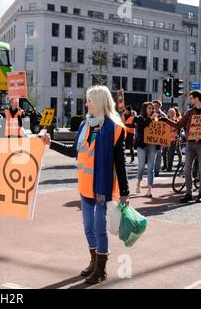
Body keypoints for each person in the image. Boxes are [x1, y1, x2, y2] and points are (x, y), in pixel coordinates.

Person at [50, 85, 130, 284]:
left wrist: (125, 191)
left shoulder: (115, 128)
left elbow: (120, 162)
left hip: (102, 188)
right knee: (88, 227)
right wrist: (49, 143)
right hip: (85, 186)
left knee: (99, 228)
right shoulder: (85, 125)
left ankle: (101, 270)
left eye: (89, 101)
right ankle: (94, 261)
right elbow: (73, 152)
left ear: (100, 103)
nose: (86, 104)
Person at [161, 90, 201, 204]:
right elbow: (179, 125)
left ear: (197, 98)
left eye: (192, 98)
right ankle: (188, 193)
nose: (190, 100)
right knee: (187, 169)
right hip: (190, 144)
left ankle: (200, 194)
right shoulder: (189, 112)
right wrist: (166, 120)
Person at [133, 102, 159, 198]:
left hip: (152, 144)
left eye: (152, 108)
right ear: (145, 109)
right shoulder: (139, 118)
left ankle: (149, 189)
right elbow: (140, 127)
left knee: (150, 168)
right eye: (149, 108)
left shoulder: (156, 119)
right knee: (141, 166)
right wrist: (150, 119)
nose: (151, 110)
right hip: (142, 145)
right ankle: (139, 182)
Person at [152, 100, 167, 177]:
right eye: (153, 105)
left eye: (156, 106)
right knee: (151, 154)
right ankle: (151, 169)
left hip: (160, 138)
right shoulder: (151, 114)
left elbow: (167, 127)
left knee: (158, 154)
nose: (154, 107)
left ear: (159, 106)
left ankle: (156, 170)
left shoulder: (163, 115)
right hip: (151, 137)